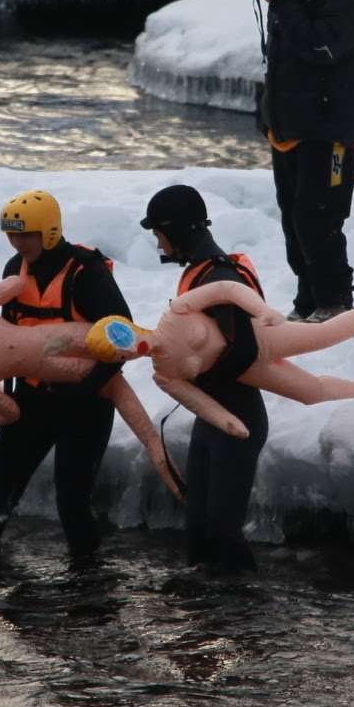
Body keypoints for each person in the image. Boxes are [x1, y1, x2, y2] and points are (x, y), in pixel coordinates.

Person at [0, 190, 132, 560]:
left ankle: (89, 589)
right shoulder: (14, 270)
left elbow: (123, 336)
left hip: (85, 405)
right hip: (31, 401)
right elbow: (4, 341)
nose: (17, 243)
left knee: (71, 501)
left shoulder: (86, 272)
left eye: (25, 235)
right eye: (11, 235)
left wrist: (86, 390)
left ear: (50, 232)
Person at [140, 184, 267, 570]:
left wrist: (192, 376)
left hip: (237, 418)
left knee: (222, 531)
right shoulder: (201, 272)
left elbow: (245, 350)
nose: (160, 246)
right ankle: (206, 622)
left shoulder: (220, 277)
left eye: (159, 235)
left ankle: (252, 621)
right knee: (198, 531)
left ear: (177, 231)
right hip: (210, 417)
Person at [255, 0, 354, 322]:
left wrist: (283, 5)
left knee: (317, 218)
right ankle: (308, 303)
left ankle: (335, 302)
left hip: (327, 129)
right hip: (291, 127)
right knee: (293, 219)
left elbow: (323, 48)